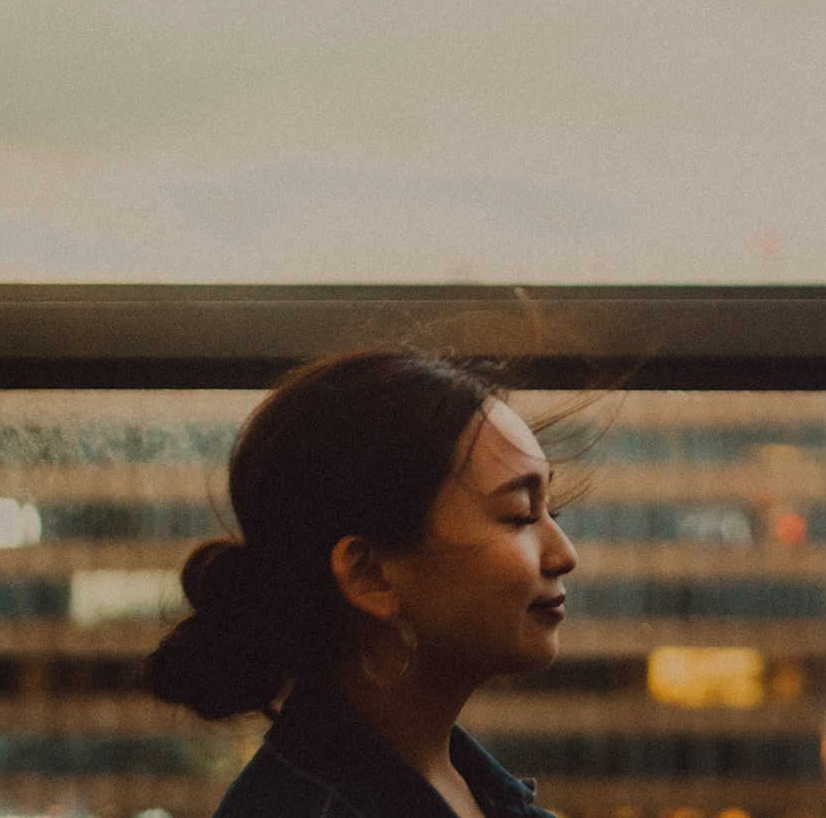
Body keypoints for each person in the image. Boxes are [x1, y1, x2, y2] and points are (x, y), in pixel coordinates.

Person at [147, 349, 578, 818]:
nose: (565, 555)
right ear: (370, 575)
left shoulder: (482, 794)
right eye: (520, 514)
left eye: (550, 512)